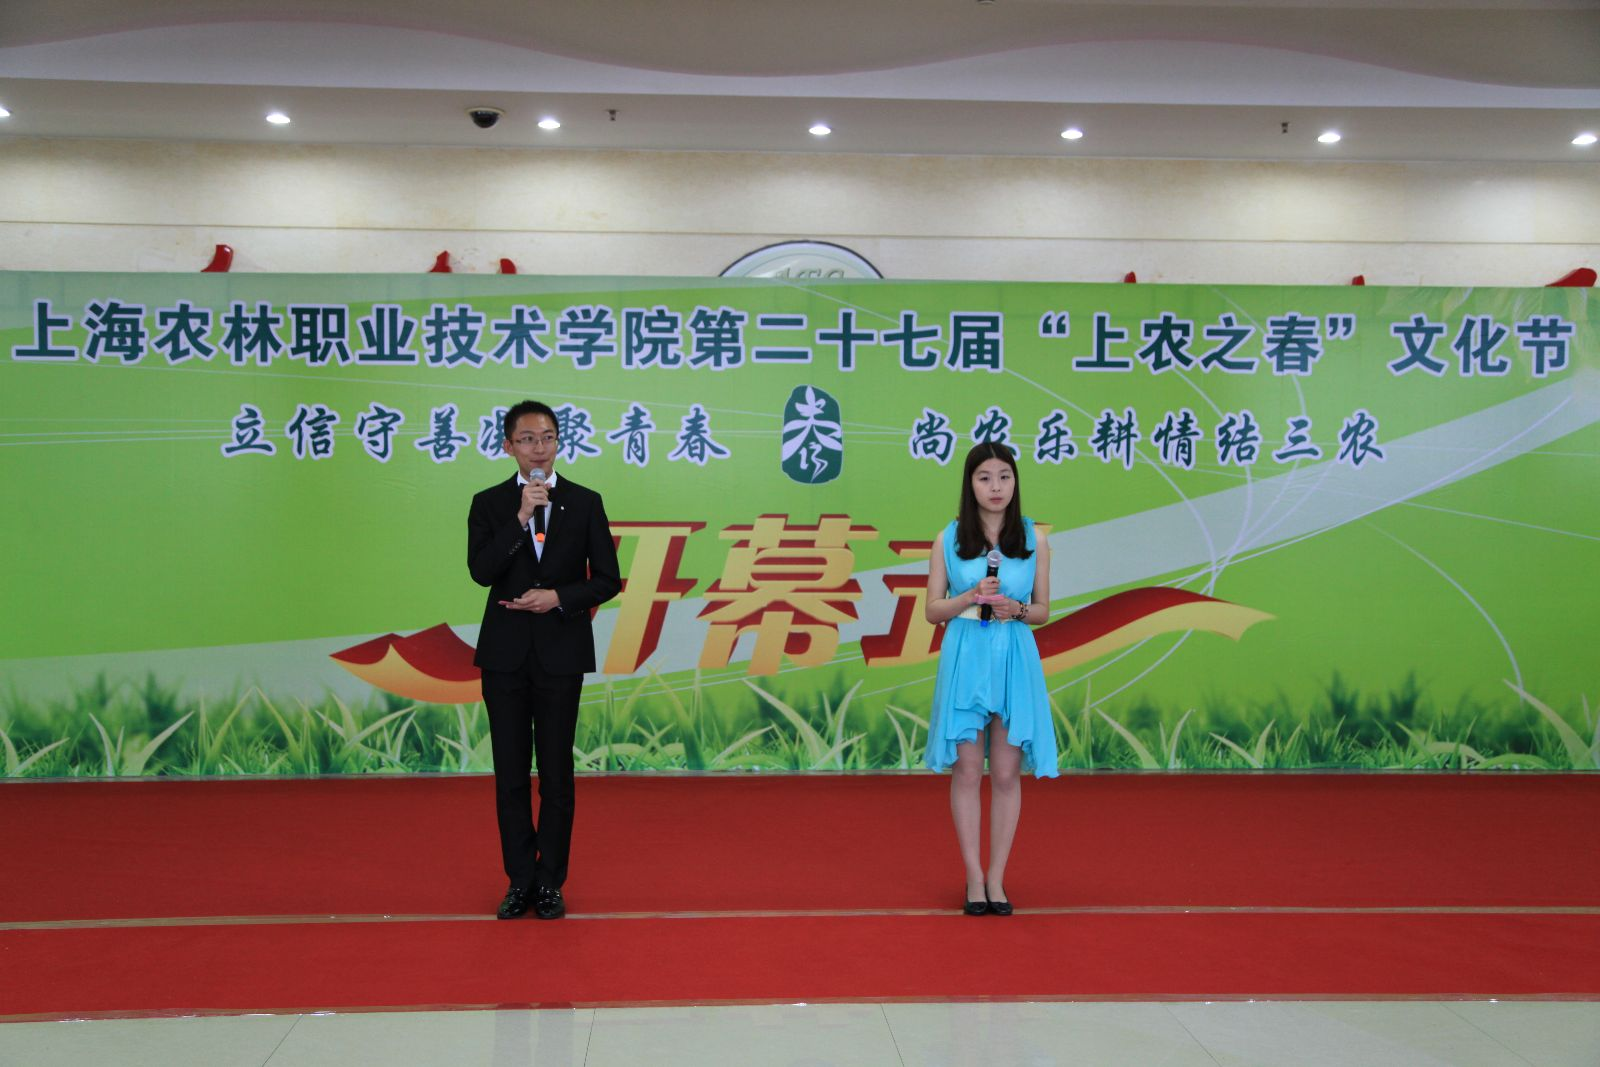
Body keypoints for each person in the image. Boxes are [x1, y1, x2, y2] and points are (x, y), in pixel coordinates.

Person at [468, 400, 621, 920]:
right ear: (507, 445)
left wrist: (558, 597)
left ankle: (550, 881)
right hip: (505, 657)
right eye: (528, 439)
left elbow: (607, 579)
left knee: (556, 775)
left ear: (559, 442)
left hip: (560, 653)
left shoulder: (585, 502)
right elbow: (482, 572)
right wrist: (520, 517)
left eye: (548, 437)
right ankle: (519, 880)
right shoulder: (490, 504)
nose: (539, 448)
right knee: (510, 774)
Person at [923, 441, 1057, 916]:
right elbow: (932, 610)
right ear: (970, 484)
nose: (996, 487)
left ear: (1015, 482)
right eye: (984, 478)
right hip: (966, 654)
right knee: (966, 770)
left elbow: (1042, 610)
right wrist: (970, 596)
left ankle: (997, 878)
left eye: (1004, 476)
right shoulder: (948, 538)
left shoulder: (1034, 539)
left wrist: (1015, 608)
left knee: (1004, 773)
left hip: (1014, 656)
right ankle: (973, 878)